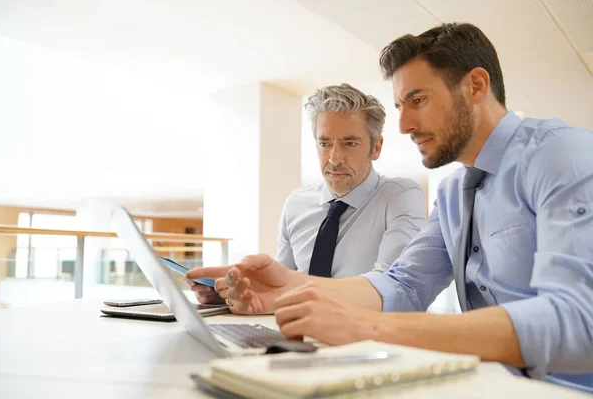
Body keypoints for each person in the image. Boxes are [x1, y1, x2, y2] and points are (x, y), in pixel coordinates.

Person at [187, 23, 593, 391]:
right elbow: (402, 286)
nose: (403, 126)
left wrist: (370, 327)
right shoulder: (454, 195)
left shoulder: (560, 154)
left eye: (417, 100)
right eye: (401, 106)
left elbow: (578, 322)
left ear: (475, 86)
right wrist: (285, 289)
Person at [192, 83, 426, 304]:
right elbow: (277, 290)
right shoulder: (297, 204)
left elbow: (392, 287)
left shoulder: (400, 197)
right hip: (297, 335)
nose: (334, 159)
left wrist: (293, 289)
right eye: (324, 143)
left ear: (376, 147)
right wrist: (234, 293)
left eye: (349, 143)